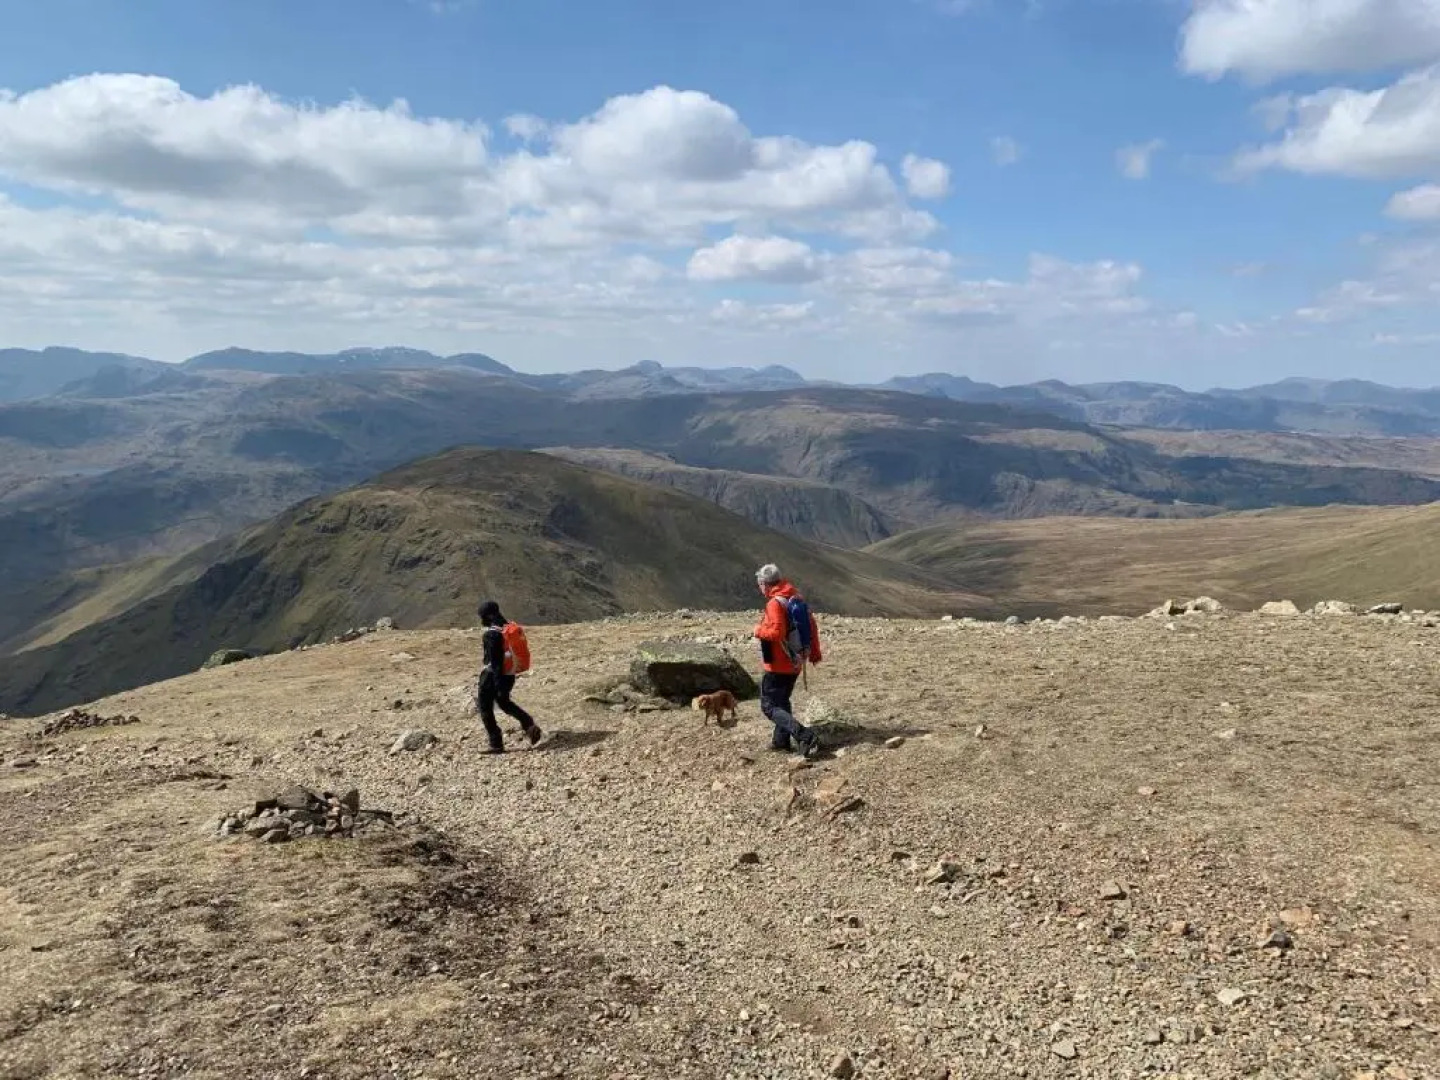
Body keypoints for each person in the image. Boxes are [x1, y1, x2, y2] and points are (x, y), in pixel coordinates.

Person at [752, 564, 823, 758]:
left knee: (768, 706)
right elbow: (812, 626)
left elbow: (776, 633)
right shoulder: (794, 597)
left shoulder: (775, 603)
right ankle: (780, 741)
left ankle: (805, 735)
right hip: (795, 662)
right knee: (782, 701)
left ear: (765, 584)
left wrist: (758, 631)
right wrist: (813, 653)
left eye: (759, 584)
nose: (759, 587)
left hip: (778, 664)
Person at [476, 599, 543, 753]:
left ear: (487, 616)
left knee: (485, 707)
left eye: (482, 616)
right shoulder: (507, 629)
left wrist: (497, 685)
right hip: (509, 674)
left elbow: (495, 663)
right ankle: (529, 725)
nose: (481, 619)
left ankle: (496, 744)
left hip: (491, 677)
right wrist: (502, 686)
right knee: (505, 703)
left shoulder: (491, 634)